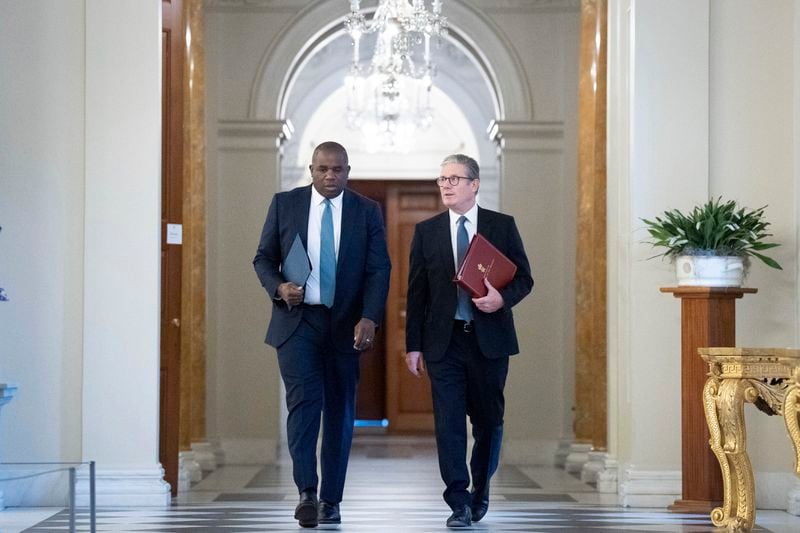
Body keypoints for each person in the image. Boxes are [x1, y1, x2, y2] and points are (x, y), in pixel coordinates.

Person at [253, 141, 391, 528]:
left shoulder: (366, 211)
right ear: (311, 170)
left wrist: (370, 317)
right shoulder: (286, 204)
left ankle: (332, 499)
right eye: (322, 169)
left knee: (341, 413)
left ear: (348, 171)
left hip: (346, 326)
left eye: (338, 170)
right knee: (303, 408)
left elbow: (379, 269)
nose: (330, 176)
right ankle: (306, 494)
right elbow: (263, 258)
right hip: (297, 323)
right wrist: (279, 288)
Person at [405, 154, 533, 528]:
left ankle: (480, 490)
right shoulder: (426, 231)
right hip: (443, 344)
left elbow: (524, 279)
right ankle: (458, 502)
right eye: (442, 179)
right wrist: (413, 345)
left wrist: (501, 300)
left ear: (474, 184)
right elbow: (416, 293)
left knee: (489, 422)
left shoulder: (501, 226)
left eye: (454, 179)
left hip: (488, 341)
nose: (446, 185)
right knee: (448, 425)